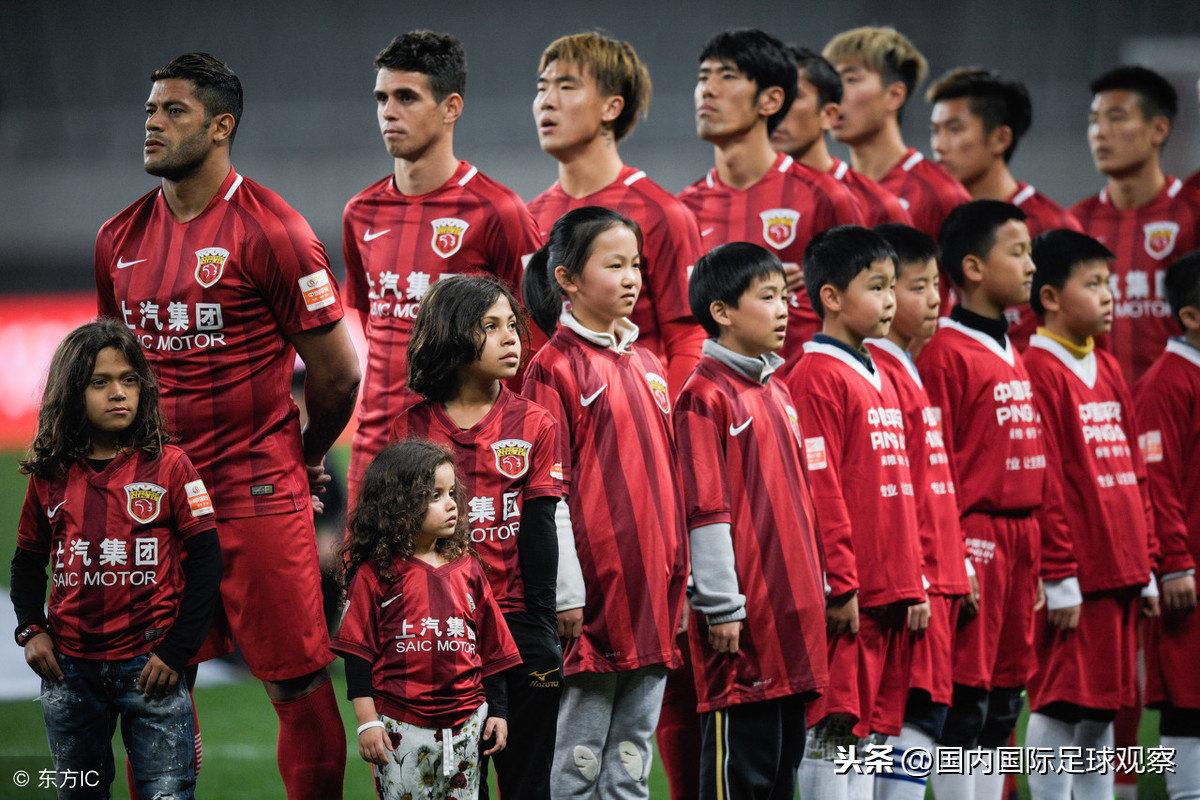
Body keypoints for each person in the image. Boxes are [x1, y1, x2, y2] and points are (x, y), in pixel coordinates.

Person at [94, 53, 360, 799]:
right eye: (149, 110)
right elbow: (113, 375)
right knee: (153, 685)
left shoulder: (273, 230)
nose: (151, 123)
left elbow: (337, 375)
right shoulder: (117, 240)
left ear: (221, 127)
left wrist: (302, 456)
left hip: (257, 495)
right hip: (156, 505)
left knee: (297, 683)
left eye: (172, 111)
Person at [10, 320, 222, 800]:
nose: (118, 393)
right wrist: (30, 629)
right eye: (100, 382)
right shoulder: (50, 474)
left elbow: (208, 563)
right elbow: (26, 563)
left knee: (167, 794)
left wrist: (176, 651)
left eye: (128, 380)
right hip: (69, 668)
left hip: (151, 666)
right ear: (71, 391)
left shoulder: (171, 466)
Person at [521, 207, 689, 799]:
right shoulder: (552, 367)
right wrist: (566, 589)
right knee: (580, 761)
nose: (632, 277)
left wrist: (680, 580)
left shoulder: (649, 363)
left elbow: (667, 482)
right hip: (591, 598)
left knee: (631, 759)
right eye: (614, 264)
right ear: (566, 279)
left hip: (653, 593)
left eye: (636, 265)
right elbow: (546, 489)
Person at [343, 30, 541, 504]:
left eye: (406, 97)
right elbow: (371, 325)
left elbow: (534, 342)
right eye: (382, 97)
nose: (388, 111)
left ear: (451, 107)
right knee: (371, 581)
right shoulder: (359, 213)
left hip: (464, 455)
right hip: (375, 452)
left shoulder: (500, 211)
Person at [388, 275, 563, 799]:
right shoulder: (410, 431)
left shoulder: (535, 423)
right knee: (455, 786)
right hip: (442, 634)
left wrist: (544, 628)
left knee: (529, 783)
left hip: (518, 625)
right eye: (491, 327)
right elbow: (399, 544)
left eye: (513, 324)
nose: (512, 337)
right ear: (452, 336)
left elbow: (540, 531)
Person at [674, 241, 827, 799]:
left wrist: (820, 588)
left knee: (781, 774)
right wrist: (720, 604)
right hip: (743, 627)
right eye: (768, 297)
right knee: (743, 776)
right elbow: (705, 510)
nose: (784, 309)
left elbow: (801, 505)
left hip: (793, 618)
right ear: (722, 311)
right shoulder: (703, 397)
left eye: (785, 296)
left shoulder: (777, 390)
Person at [783, 226, 929, 800]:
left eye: (894, 286)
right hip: (852, 597)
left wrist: (913, 579)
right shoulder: (816, 377)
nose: (891, 300)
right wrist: (838, 584)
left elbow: (901, 489)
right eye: (877, 287)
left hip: (889, 590)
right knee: (834, 727)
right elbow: (822, 494)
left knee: (873, 734)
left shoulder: (881, 371)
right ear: (832, 298)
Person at [916, 201, 1046, 800]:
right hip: (977, 542)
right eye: (1016, 252)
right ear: (970, 267)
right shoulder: (945, 353)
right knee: (966, 708)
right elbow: (935, 464)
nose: (1030, 264)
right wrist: (954, 556)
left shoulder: (1011, 346)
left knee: (1002, 705)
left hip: (1022, 544)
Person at [1020, 229, 1157, 799]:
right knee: (1061, 702)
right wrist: (1060, 574)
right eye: (1093, 284)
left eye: (1109, 283)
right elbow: (1045, 481)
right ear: (1050, 296)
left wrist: (1148, 562)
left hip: (1121, 573)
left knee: (1102, 714)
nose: (1108, 297)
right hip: (1079, 577)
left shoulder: (1109, 368)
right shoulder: (1036, 370)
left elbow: (1136, 472)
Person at [333, 440, 522, 800]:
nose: (452, 503)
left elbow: (493, 650)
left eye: (452, 492)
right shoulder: (377, 575)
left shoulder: (468, 568)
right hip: (400, 725)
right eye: (435, 495)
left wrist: (498, 711)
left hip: (468, 724)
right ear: (399, 504)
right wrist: (367, 722)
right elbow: (357, 655)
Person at [529, 31, 705, 395]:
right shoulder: (530, 217)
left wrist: (668, 428)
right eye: (542, 87)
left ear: (612, 107)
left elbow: (687, 337)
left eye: (566, 87)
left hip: (634, 427)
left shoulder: (661, 212)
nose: (546, 101)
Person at [865, 224, 973, 800]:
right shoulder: (882, 373)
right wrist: (922, 576)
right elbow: (892, 491)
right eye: (915, 286)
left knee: (935, 719)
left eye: (936, 285)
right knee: (909, 720)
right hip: (914, 583)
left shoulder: (909, 367)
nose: (935, 298)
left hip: (936, 574)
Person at [680, 28, 864, 366]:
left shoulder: (825, 198)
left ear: (771, 100)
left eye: (727, 76)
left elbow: (863, 310)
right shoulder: (683, 210)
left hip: (804, 402)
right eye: (703, 76)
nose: (708, 88)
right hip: (716, 405)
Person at [927, 67, 1082, 349]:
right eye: (935, 130)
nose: (938, 145)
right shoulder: (934, 217)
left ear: (1000, 139)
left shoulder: (1053, 226)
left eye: (955, 128)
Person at [1071, 65, 1200, 384]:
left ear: (1158, 130)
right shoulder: (1073, 223)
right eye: (1093, 121)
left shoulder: (1193, 211)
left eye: (1115, 118)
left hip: (1185, 415)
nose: (1100, 131)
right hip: (1103, 418)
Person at [1135, 250, 1200, 800]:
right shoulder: (1167, 382)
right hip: (1190, 577)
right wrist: (1175, 562)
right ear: (1192, 317)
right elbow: (1158, 482)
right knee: (1188, 699)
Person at [822, 26, 970, 245]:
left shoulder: (942, 195)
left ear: (894, 95)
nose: (833, 93)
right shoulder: (831, 190)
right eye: (831, 81)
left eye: (851, 79)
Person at [771, 45, 912, 227]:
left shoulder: (879, 206)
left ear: (829, 115)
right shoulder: (734, 195)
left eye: (794, 96)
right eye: (770, 97)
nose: (775, 109)